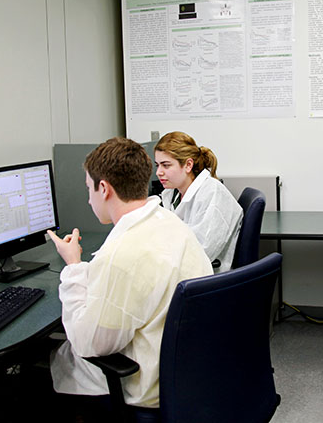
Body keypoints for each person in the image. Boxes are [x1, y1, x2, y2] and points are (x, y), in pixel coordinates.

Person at [47, 137, 213, 414]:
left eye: (89, 188)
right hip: (188, 369)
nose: (88, 199)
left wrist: (74, 268)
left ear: (104, 188)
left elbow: (90, 344)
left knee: (54, 359)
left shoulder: (122, 255)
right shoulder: (168, 221)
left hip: (146, 384)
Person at [154, 131, 243, 273]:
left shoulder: (211, 193)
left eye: (166, 165)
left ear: (188, 165)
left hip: (207, 278)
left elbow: (202, 251)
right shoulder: (174, 194)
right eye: (157, 165)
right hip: (186, 269)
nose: (159, 172)